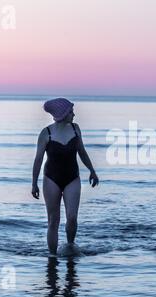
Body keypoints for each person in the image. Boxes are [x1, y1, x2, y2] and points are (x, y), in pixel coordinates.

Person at [32, 98, 99, 256]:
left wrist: (92, 170)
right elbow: (38, 159)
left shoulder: (76, 129)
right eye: (70, 111)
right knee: (53, 220)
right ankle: (53, 256)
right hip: (51, 179)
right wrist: (34, 184)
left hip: (72, 178)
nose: (73, 114)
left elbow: (81, 151)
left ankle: (69, 246)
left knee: (72, 217)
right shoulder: (46, 133)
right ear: (62, 114)